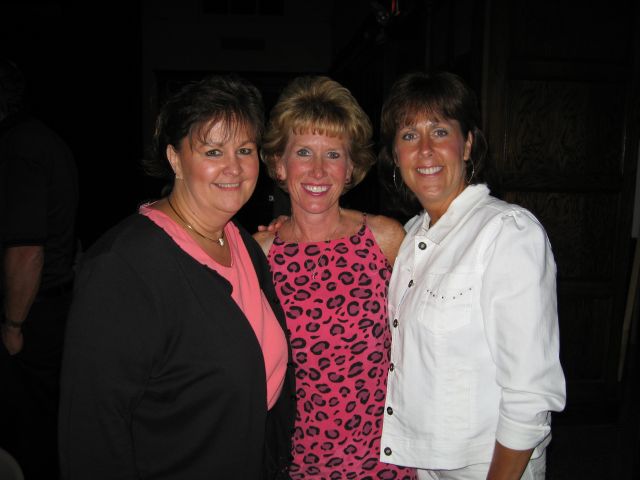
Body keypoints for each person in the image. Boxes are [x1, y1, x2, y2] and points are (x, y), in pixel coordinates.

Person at [58, 74, 296, 479]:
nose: (234, 167)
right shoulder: (125, 267)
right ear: (174, 158)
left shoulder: (241, 242)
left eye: (245, 149)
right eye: (213, 151)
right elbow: (91, 432)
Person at [377, 71, 566, 479]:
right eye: (408, 136)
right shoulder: (410, 237)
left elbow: (529, 392)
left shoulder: (506, 232)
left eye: (439, 131)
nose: (425, 150)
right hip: (423, 465)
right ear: (395, 155)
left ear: (466, 145)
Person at [254, 75, 416, 480]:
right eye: (303, 152)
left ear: (350, 168)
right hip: (294, 462)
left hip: (382, 461)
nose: (318, 170)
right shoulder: (260, 254)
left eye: (333, 154)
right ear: (279, 164)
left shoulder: (385, 239)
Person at [0, 58, 78, 479]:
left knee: (26, 433)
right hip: (51, 305)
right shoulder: (42, 140)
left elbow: (27, 250)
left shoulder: (19, 148)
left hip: (34, 313)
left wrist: (13, 325)